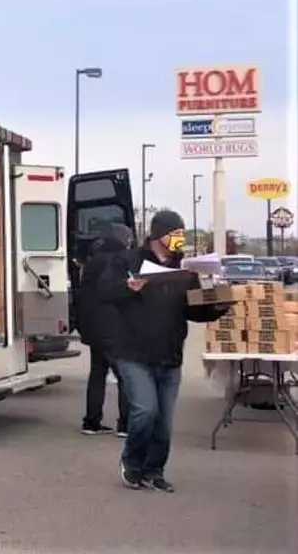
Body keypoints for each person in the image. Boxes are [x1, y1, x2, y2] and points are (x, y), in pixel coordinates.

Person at [95, 210, 228, 493]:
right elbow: (104, 292)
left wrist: (217, 303)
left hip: (170, 354)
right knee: (145, 411)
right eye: (174, 234)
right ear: (157, 236)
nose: (179, 239)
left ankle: (154, 470)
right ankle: (131, 463)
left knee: (164, 423)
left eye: (182, 234)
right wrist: (128, 287)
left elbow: (195, 311)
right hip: (133, 352)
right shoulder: (129, 260)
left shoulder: (186, 271)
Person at [76, 223, 132, 437]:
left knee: (97, 375)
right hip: (115, 327)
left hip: (93, 328)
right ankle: (125, 424)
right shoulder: (122, 261)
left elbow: (83, 296)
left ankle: (91, 422)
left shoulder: (92, 263)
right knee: (124, 376)